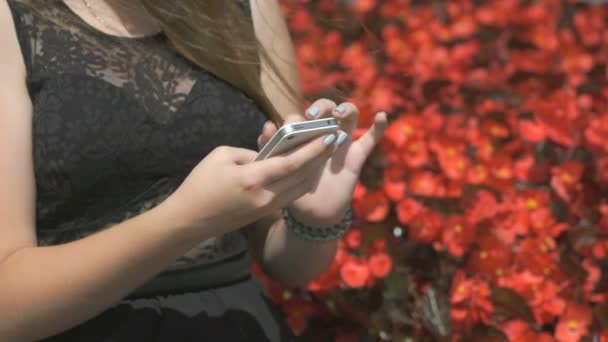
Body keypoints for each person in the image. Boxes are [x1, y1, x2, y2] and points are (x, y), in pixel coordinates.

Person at [0, 0, 388, 340]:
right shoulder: (13, 17)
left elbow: (283, 259)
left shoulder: (244, 7)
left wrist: (314, 222)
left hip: (240, 325)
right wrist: (186, 220)